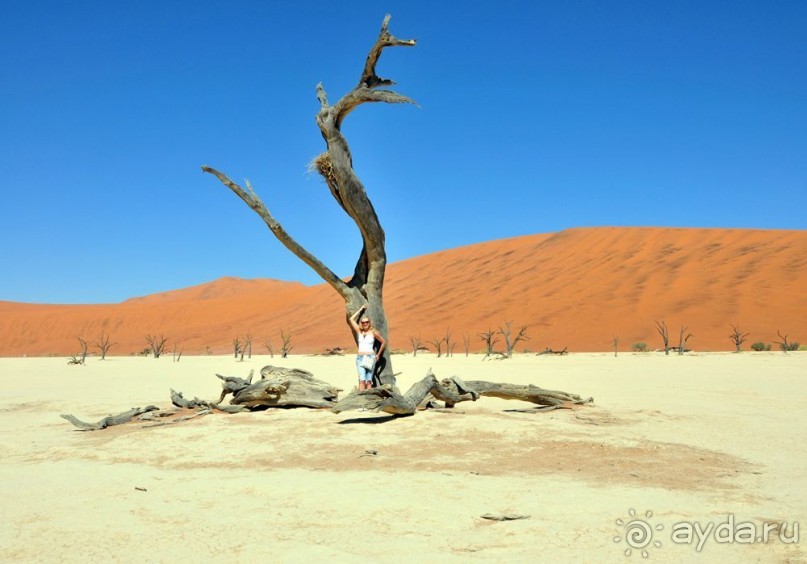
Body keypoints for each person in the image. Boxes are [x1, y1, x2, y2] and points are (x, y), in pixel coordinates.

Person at [349, 305, 386, 390]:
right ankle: (361, 399)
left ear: (369, 323)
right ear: (361, 324)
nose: (365, 324)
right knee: (362, 380)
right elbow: (351, 319)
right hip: (360, 358)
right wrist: (360, 309)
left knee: (369, 380)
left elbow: (383, 342)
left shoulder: (374, 333)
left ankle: (369, 400)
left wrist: (378, 355)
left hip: (370, 358)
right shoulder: (359, 331)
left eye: (367, 322)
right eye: (363, 322)